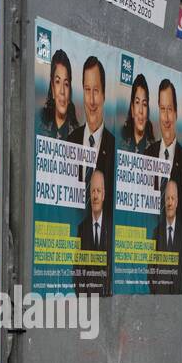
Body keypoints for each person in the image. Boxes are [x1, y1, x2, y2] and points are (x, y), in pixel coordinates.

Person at [67, 56, 115, 213]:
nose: (92, 100)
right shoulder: (70, 141)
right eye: (88, 90)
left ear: (104, 95)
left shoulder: (114, 146)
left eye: (96, 90)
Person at [143, 78, 182, 197]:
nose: (166, 118)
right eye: (162, 109)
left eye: (170, 109)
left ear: (176, 113)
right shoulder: (147, 154)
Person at [75, 167, 111, 296]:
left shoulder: (111, 228)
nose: (95, 196)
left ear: (103, 195)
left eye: (98, 191)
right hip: (87, 302)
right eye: (93, 191)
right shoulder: (82, 228)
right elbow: (77, 270)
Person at [150, 178, 182, 295]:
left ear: (177, 202)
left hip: (179, 297)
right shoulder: (156, 232)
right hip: (161, 297)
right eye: (167, 198)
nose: (170, 203)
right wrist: (155, 291)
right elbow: (150, 269)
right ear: (164, 201)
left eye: (172, 199)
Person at [37, 49, 80, 139]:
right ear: (52, 88)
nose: (62, 91)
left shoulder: (78, 135)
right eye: (57, 82)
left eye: (66, 84)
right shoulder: (40, 126)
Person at [119, 73, 155, 154]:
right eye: (137, 102)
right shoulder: (120, 145)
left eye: (144, 104)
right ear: (132, 109)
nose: (141, 111)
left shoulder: (154, 150)